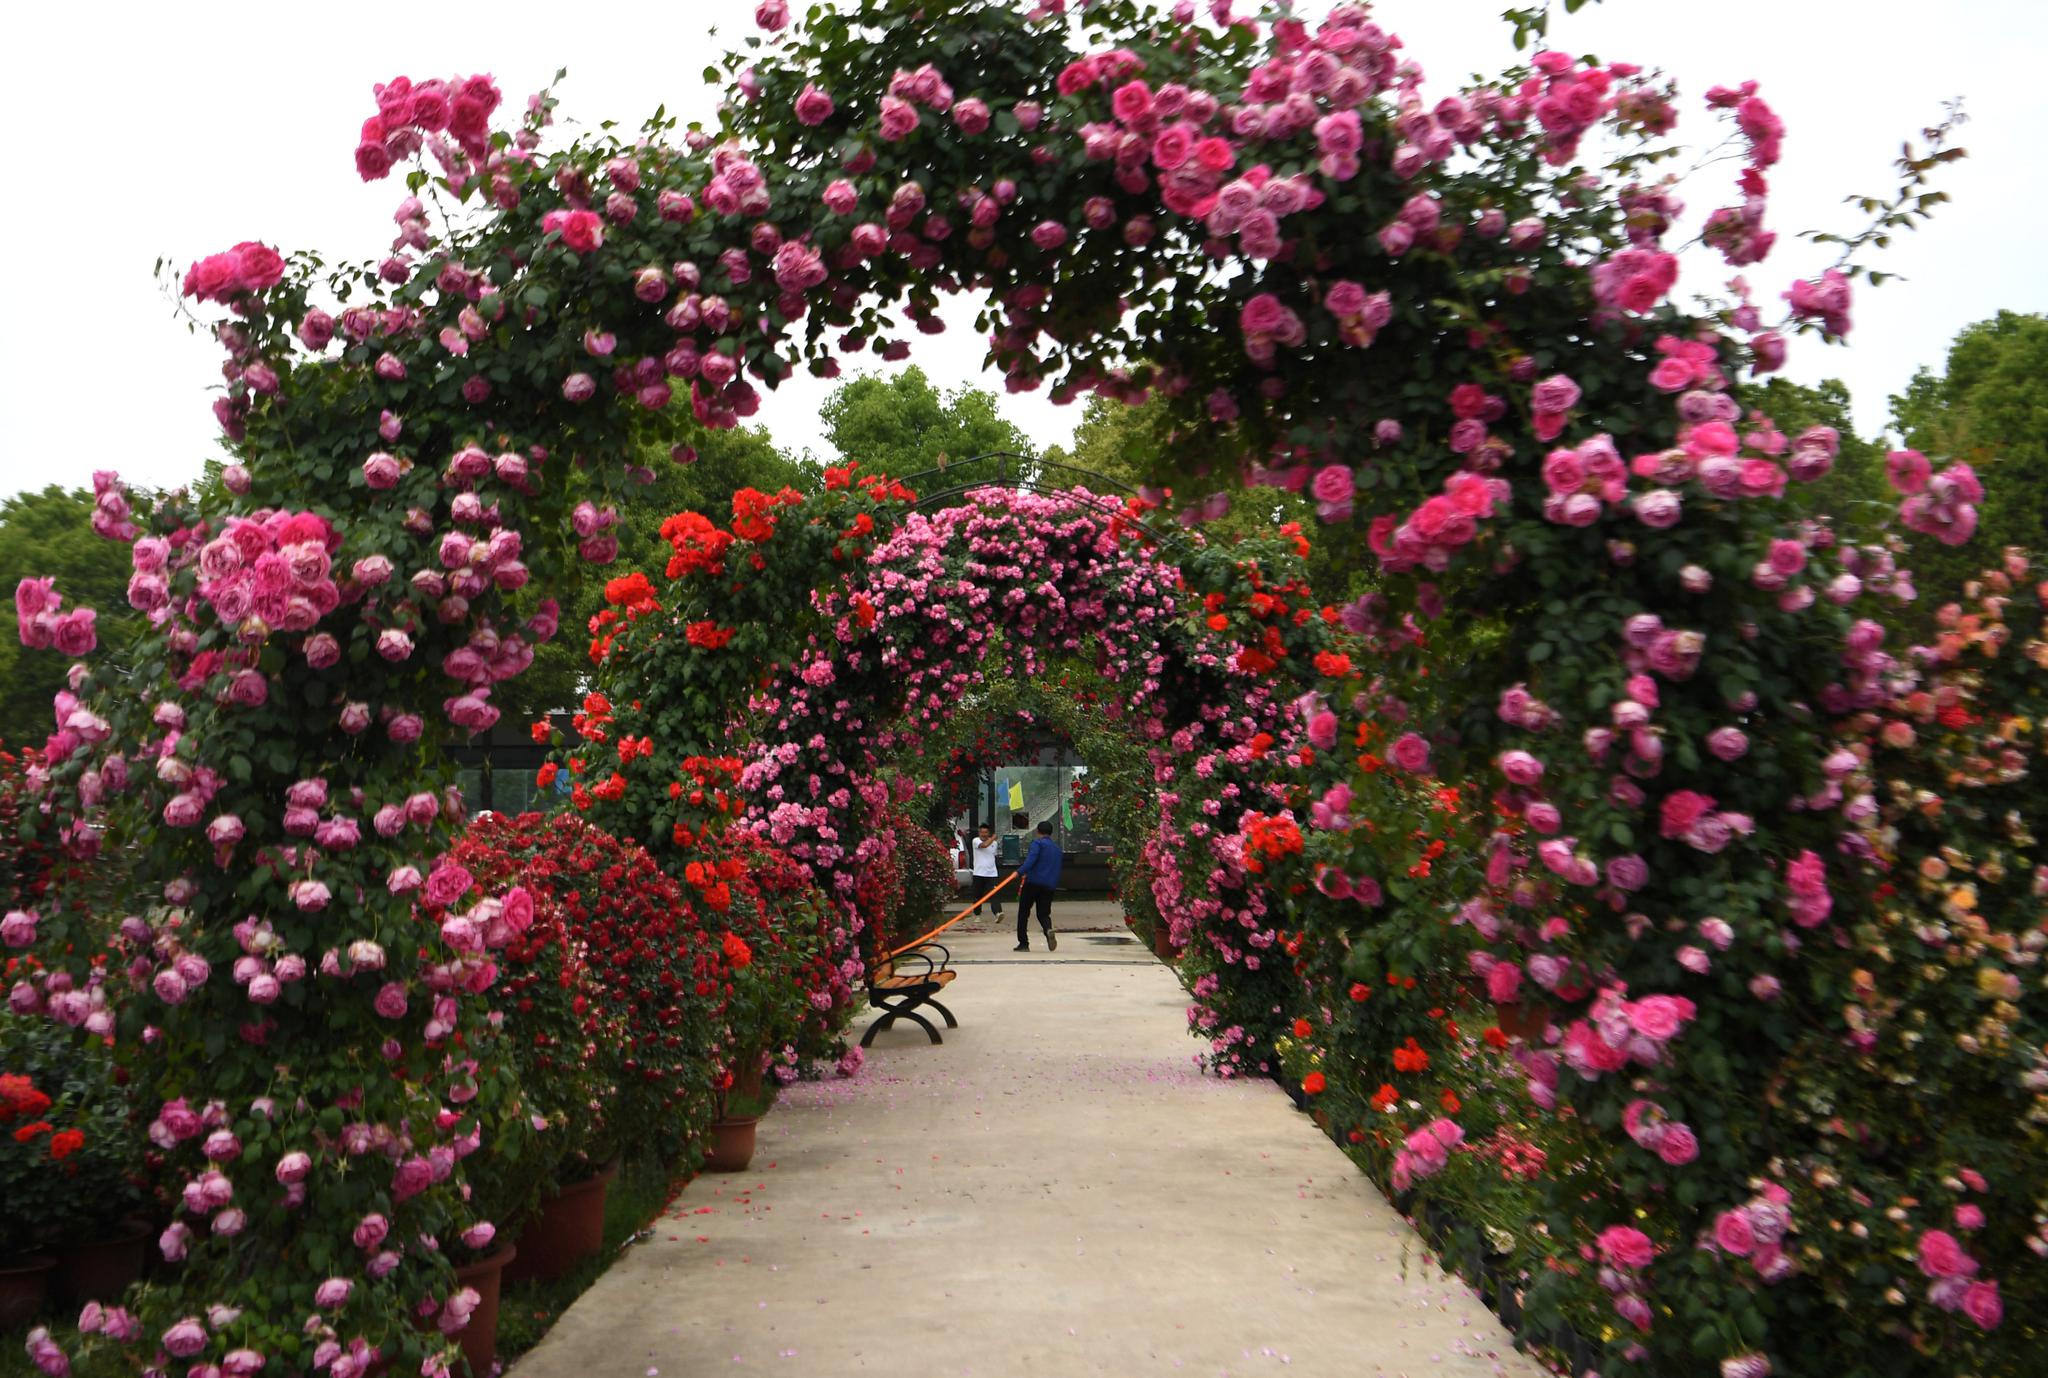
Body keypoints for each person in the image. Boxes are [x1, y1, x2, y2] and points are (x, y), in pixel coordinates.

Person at [1015, 820, 1063, 952]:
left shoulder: (1037, 844)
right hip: (1049, 884)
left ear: (1038, 831)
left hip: (1033, 882)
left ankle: (1023, 943)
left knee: (1024, 911)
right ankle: (1048, 929)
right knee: (1043, 913)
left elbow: (1031, 860)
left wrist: (1019, 872)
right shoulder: (1057, 849)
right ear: (1051, 832)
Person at [970, 823, 1004, 917]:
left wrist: (992, 840)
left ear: (988, 833)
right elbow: (984, 845)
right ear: (979, 833)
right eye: (982, 832)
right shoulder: (976, 841)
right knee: (978, 895)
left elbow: (993, 855)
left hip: (992, 873)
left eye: (986, 832)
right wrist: (993, 838)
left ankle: (997, 913)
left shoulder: (994, 843)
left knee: (994, 894)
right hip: (979, 873)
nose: (984, 834)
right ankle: (977, 914)